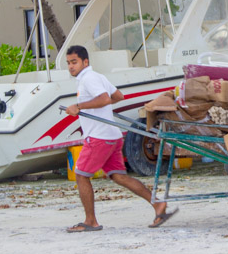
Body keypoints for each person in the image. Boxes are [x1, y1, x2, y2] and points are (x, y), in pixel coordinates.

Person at [63, 45, 177, 232]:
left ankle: (90, 221)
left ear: (85, 62)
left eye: (74, 62)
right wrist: (96, 106)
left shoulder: (89, 79)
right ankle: (158, 205)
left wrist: (79, 106)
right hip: (112, 136)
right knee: (119, 176)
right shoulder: (97, 76)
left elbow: (106, 99)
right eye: (68, 63)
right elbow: (117, 96)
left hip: (99, 137)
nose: (71, 67)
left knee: (81, 175)